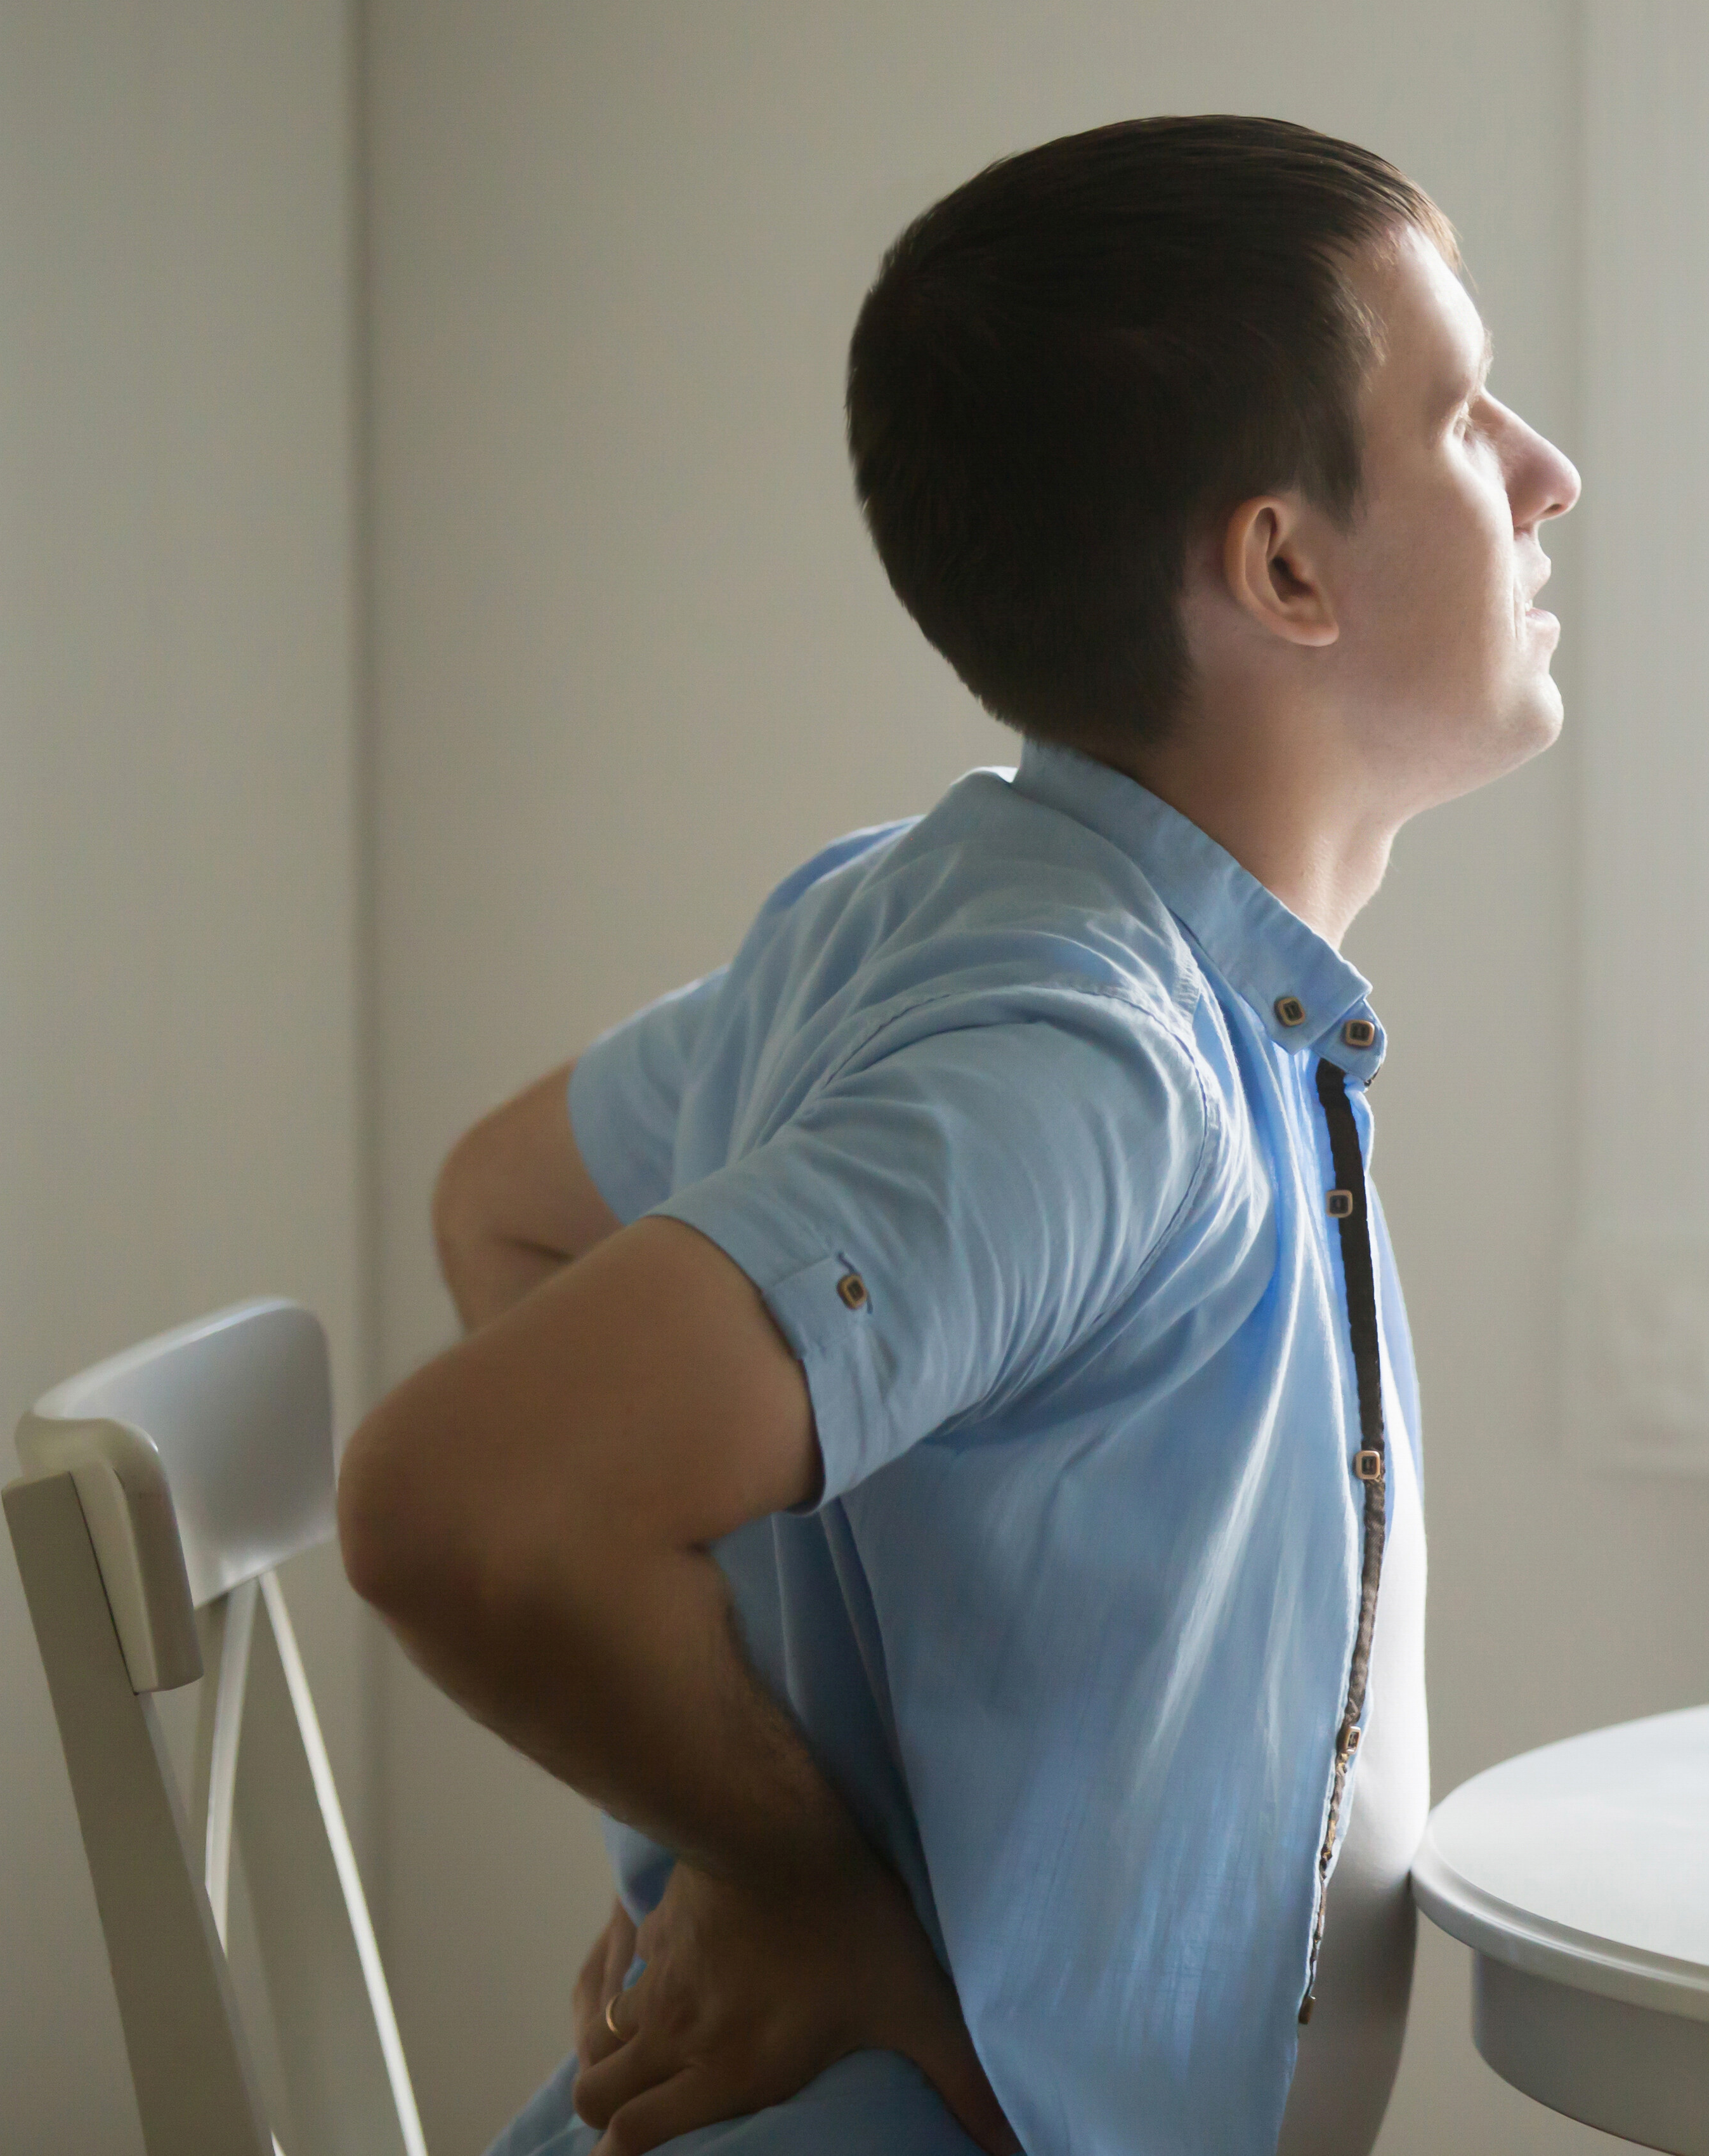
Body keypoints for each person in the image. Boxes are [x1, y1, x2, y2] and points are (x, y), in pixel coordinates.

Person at [336, 115, 1578, 2156]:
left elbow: (508, 1208)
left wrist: (714, 1823)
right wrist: (789, 1870)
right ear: (1283, 565)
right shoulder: (1093, 1066)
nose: (1547, 472)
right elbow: (460, 1496)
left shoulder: (919, 908)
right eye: (1462, 419)